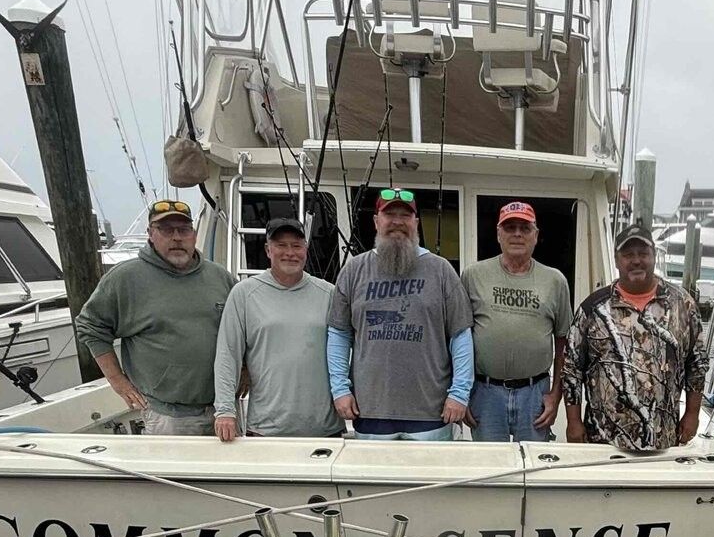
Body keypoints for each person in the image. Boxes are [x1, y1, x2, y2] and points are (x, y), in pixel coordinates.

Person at [76, 198, 235, 435]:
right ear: (150, 234)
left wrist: (243, 370)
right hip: (167, 416)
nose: (176, 237)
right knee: (174, 474)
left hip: (223, 409)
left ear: (193, 234)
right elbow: (90, 327)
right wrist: (117, 381)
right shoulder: (125, 278)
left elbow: (241, 328)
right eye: (166, 230)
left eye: (183, 230)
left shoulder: (220, 277)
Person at [326, 189, 473, 441]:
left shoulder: (441, 270)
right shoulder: (353, 270)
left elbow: (460, 336)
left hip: (432, 415)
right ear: (376, 221)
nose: (397, 222)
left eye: (405, 216)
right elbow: (338, 334)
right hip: (371, 412)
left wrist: (459, 394)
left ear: (415, 223)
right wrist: (340, 390)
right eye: (389, 214)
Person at [563, 223, 705, 451]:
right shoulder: (594, 307)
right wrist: (573, 421)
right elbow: (572, 369)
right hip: (603, 438)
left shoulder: (683, 304)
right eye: (628, 255)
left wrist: (692, 414)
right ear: (617, 261)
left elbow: (696, 365)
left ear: (654, 256)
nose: (636, 261)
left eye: (643, 254)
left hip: (663, 436)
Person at [214, 218, 343, 440]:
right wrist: (225, 411)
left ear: (306, 250)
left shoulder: (329, 293)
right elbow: (227, 354)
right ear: (268, 250)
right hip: (266, 429)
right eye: (281, 245)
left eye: (296, 245)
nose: (290, 252)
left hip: (325, 430)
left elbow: (345, 350)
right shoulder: (243, 294)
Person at [461, 201, 572, 441]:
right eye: (510, 227)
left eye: (525, 228)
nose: (517, 234)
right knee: (491, 472)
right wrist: (462, 393)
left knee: (531, 471)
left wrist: (555, 396)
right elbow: (459, 338)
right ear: (499, 234)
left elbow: (564, 343)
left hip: (534, 393)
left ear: (536, 235)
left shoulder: (555, 281)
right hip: (485, 392)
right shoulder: (473, 275)